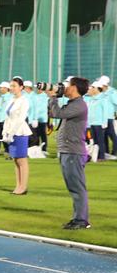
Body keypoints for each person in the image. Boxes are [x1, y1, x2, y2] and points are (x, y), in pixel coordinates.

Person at [47, 78, 91, 229]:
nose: (65, 87)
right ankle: (77, 218)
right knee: (73, 187)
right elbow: (55, 113)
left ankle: (81, 220)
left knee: (77, 187)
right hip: (68, 151)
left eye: (69, 85)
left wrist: (53, 97)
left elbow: (57, 113)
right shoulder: (73, 103)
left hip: (73, 152)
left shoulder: (79, 105)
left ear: (75, 88)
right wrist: (53, 97)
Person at [1, 77, 32, 195]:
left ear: (21, 87)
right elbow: (8, 117)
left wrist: (12, 133)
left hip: (20, 133)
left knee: (22, 160)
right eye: (11, 85)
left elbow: (20, 119)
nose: (12, 88)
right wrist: (5, 132)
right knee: (15, 160)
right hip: (10, 133)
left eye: (14, 86)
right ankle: (18, 185)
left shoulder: (24, 100)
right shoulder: (11, 99)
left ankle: (23, 187)